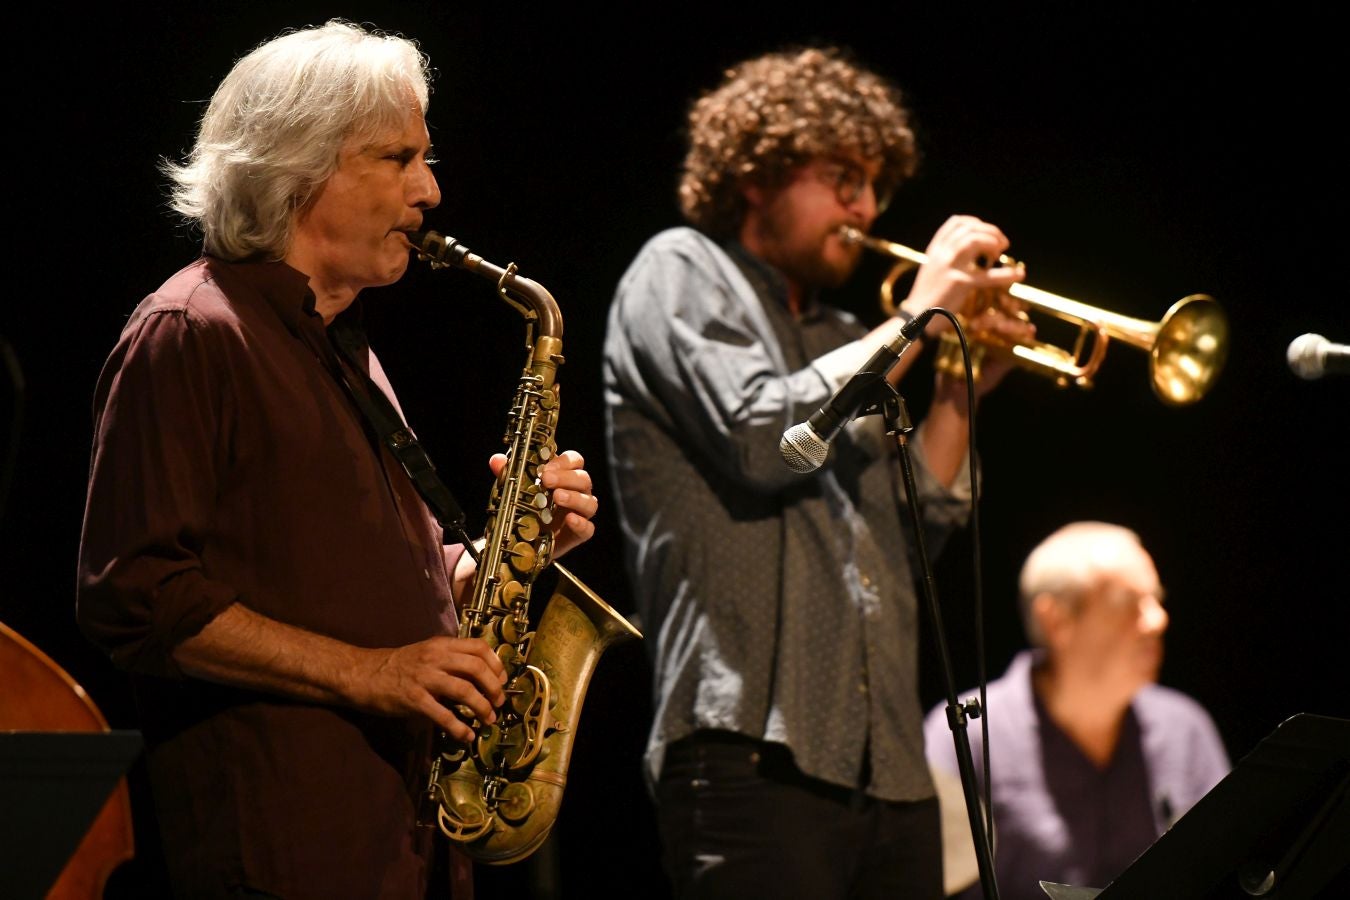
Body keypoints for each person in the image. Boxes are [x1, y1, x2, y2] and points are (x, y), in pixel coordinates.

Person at [74, 20, 599, 900]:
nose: (429, 190)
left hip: (402, 836)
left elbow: (340, 576)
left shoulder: (337, 341)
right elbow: (134, 596)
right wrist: (376, 672)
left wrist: (499, 560)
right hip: (285, 843)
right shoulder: (190, 332)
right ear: (295, 165)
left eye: (427, 159)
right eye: (398, 159)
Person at [602, 46, 1033, 899]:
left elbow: (906, 541)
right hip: (749, 755)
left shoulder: (846, 335)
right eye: (841, 176)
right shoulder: (681, 270)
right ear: (758, 173)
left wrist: (960, 386)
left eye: (875, 185)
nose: (864, 207)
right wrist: (916, 317)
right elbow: (767, 436)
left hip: (893, 774)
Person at [923, 521, 1230, 899]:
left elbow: (1225, 873)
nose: (1158, 620)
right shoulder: (963, 732)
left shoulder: (1185, 729)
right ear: (1057, 620)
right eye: (1128, 603)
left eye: (1156, 599)